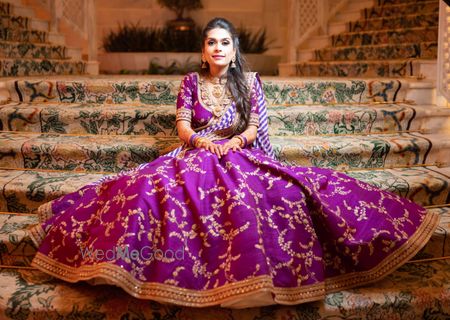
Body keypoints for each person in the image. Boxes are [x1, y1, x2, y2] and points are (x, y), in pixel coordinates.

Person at [29, 17, 439, 308]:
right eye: (212, 43)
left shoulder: (249, 82)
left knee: (283, 191)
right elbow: (182, 125)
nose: (218, 48)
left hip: (240, 153)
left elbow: (255, 125)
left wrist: (236, 142)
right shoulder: (191, 82)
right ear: (202, 51)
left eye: (225, 42)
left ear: (234, 48)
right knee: (150, 190)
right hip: (196, 153)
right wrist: (202, 143)